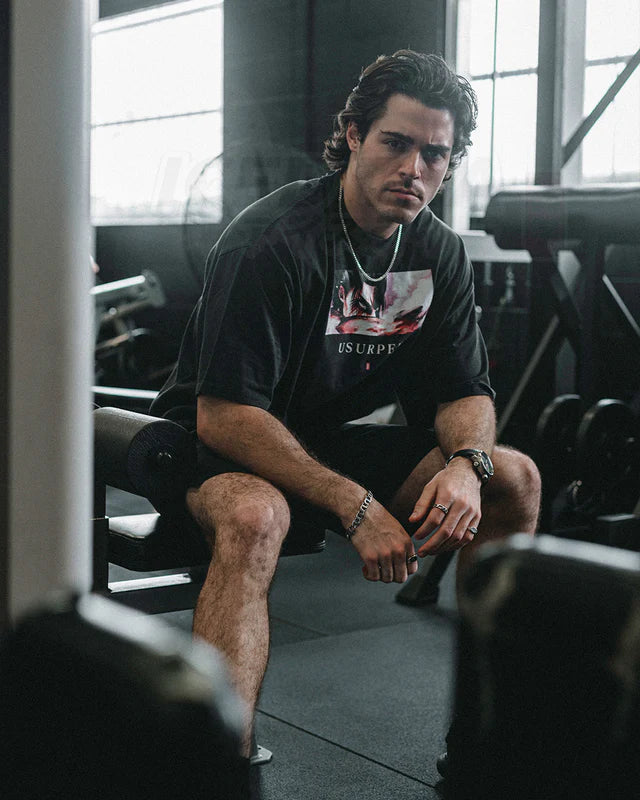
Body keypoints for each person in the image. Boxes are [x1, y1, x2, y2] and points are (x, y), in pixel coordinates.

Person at [151, 49, 541, 773]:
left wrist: (468, 463)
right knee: (256, 515)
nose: (414, 169)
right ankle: (213, 766)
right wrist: (357, 507)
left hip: (323, 442)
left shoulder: (437, 254)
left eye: (435, 154)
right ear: (355, 135)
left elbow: (465, 390)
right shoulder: (272, 241)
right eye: (396, 143)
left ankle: (488, 743)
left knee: (512, 478)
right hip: (214, 445)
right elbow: (225, 416)